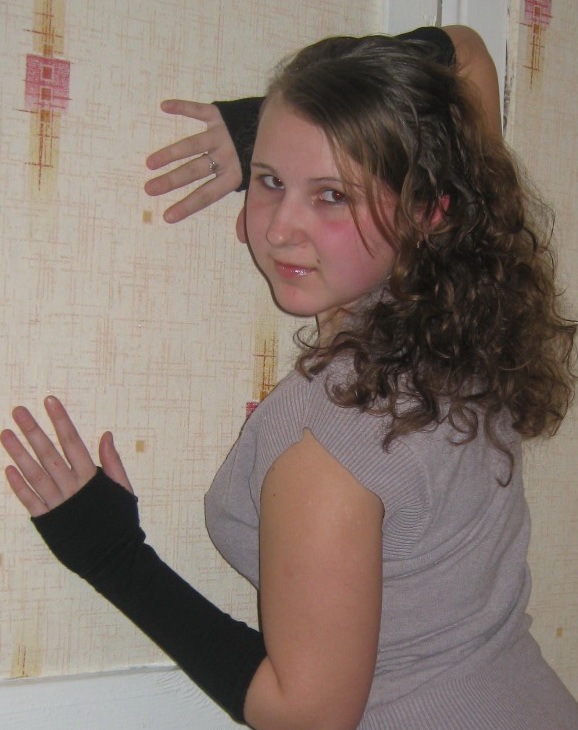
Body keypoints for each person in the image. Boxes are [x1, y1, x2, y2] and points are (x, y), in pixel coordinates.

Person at [2, 25, 578, 730]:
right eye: (271, 182)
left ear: (429, 208)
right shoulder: (464, 328)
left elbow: (307, 714)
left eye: (331, 195)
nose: (279, 228)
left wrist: (114, 557)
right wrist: (302, 118)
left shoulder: (328, 440)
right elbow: (466, 52)